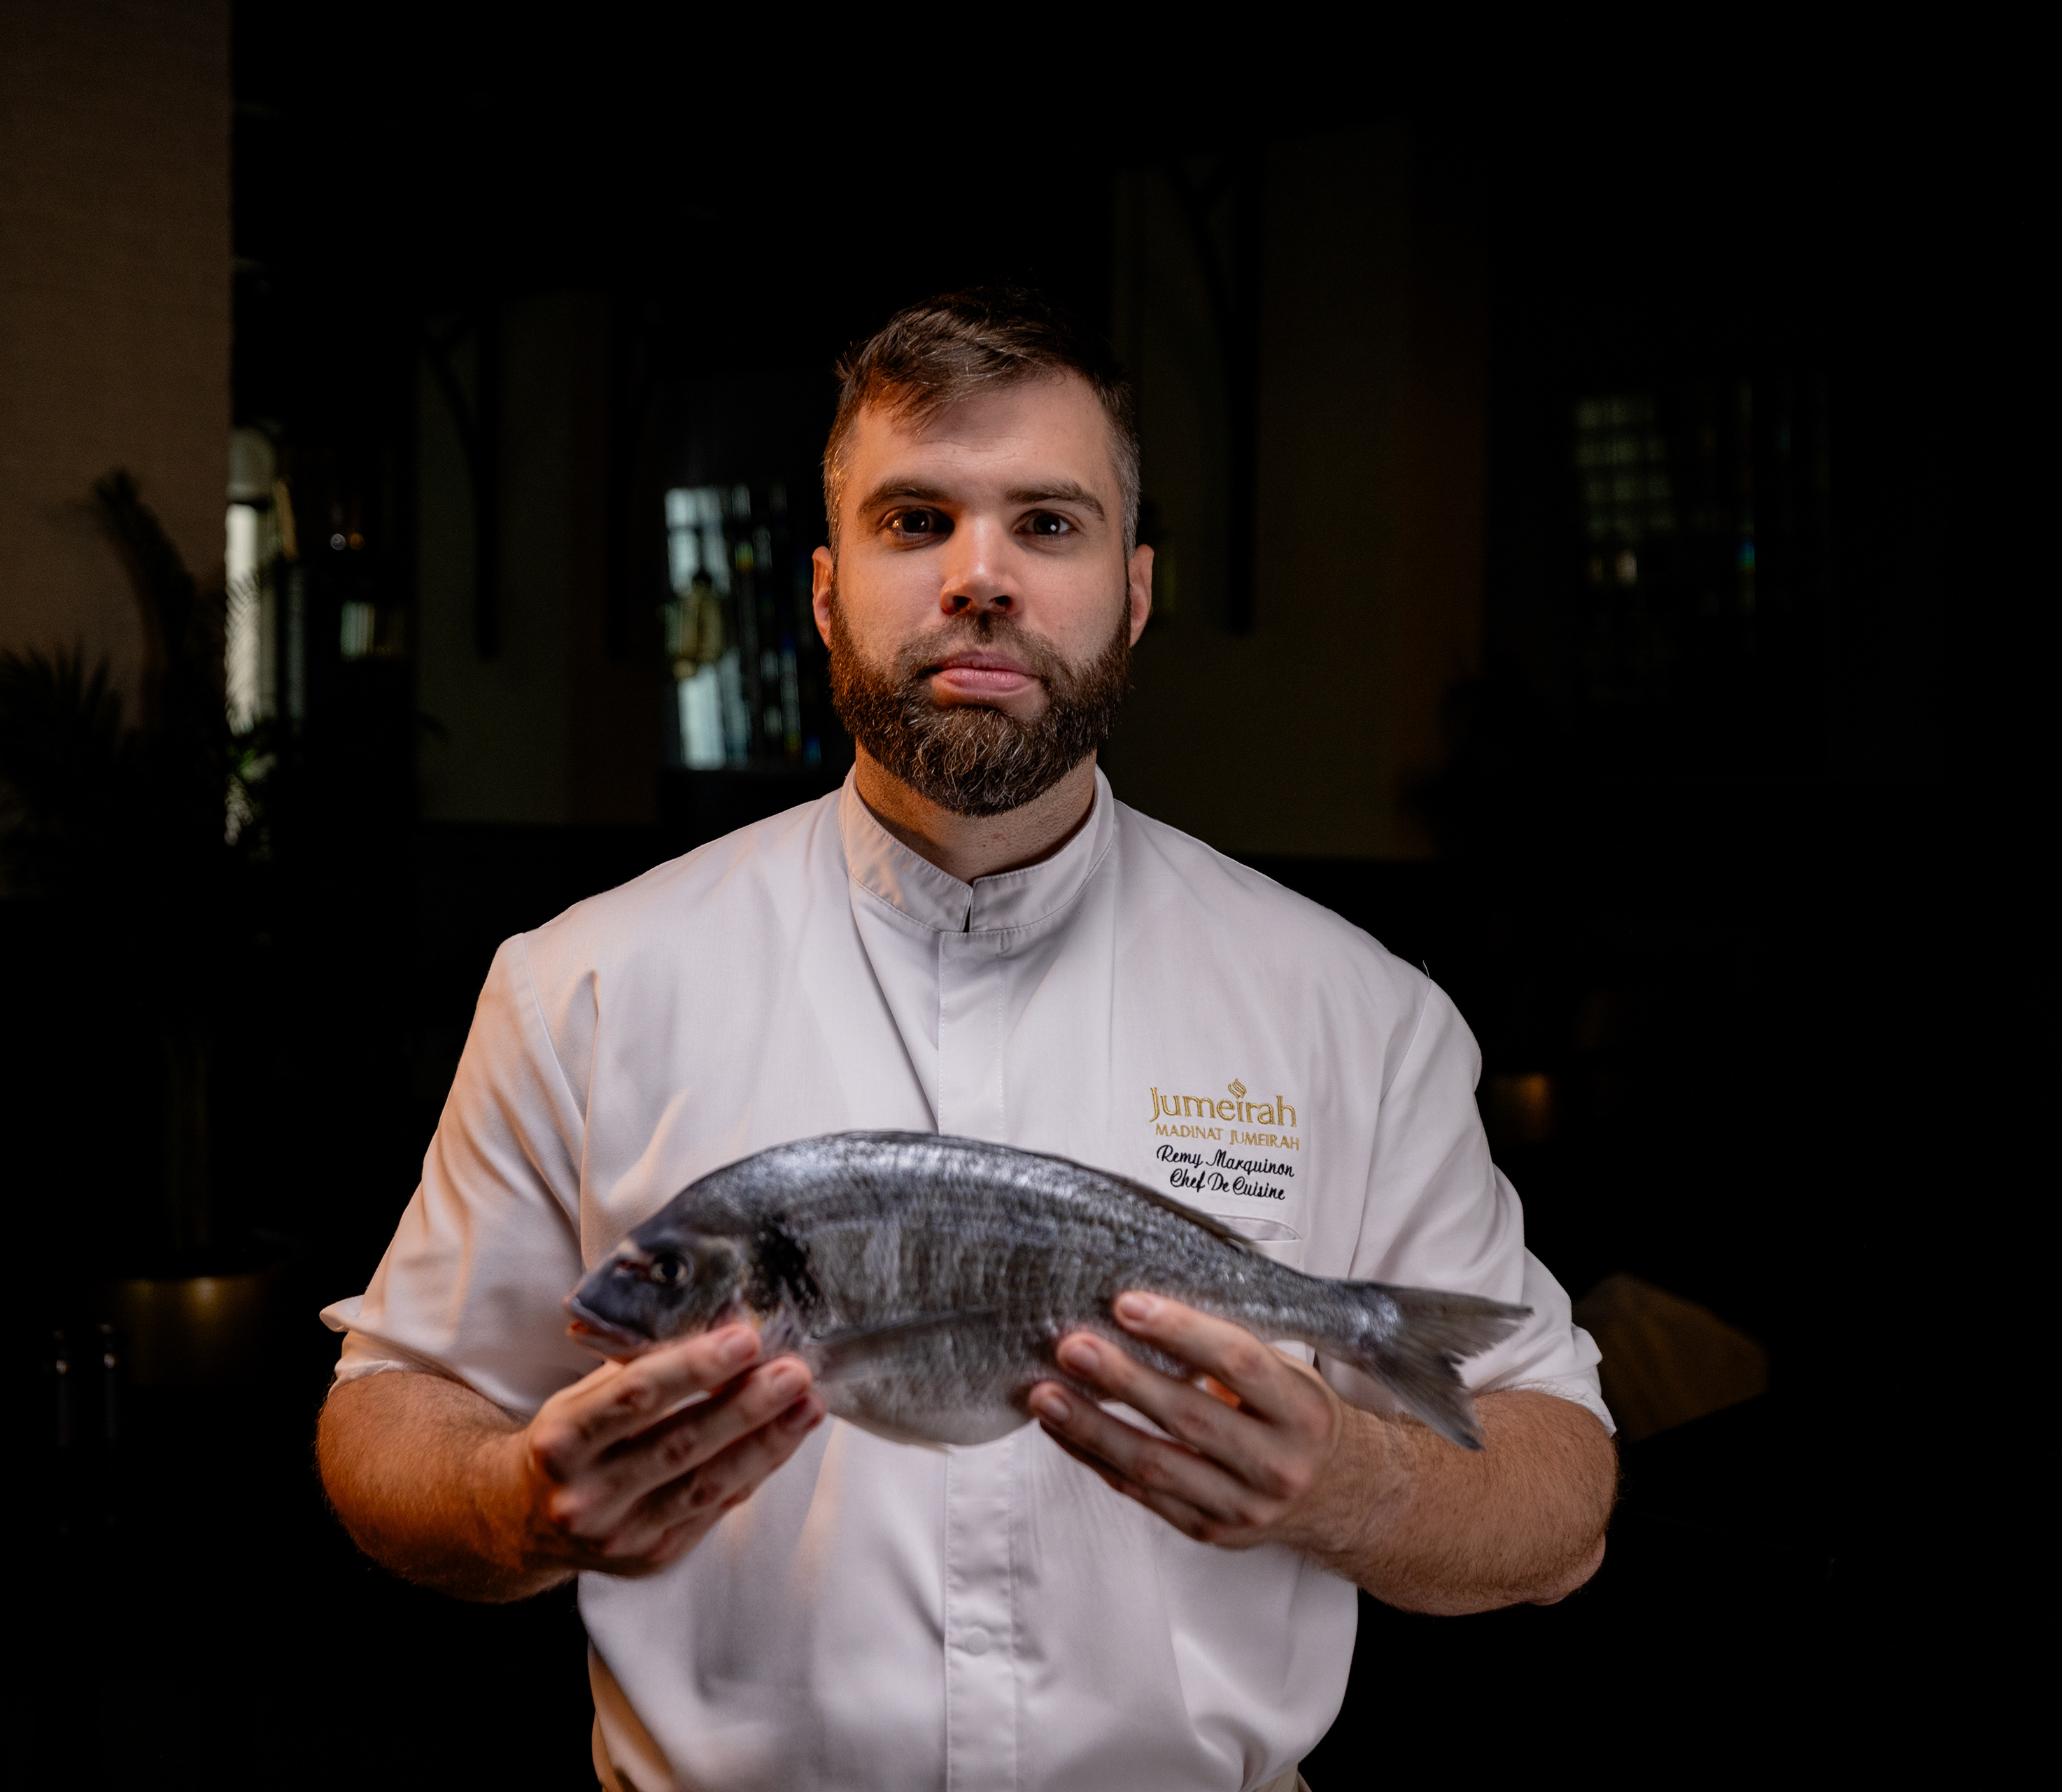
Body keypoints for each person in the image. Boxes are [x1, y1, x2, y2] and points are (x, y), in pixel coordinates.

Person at [316, 289, 1616, 1792]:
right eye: (915, 520)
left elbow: (1560, 1491)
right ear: (824, 591)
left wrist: (1350, 1480)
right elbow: (390, 1409)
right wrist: (511, 1504)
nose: (980, 576)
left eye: (1047, 524)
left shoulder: (1357, 1010)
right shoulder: (584, 984)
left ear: (1135, 592)